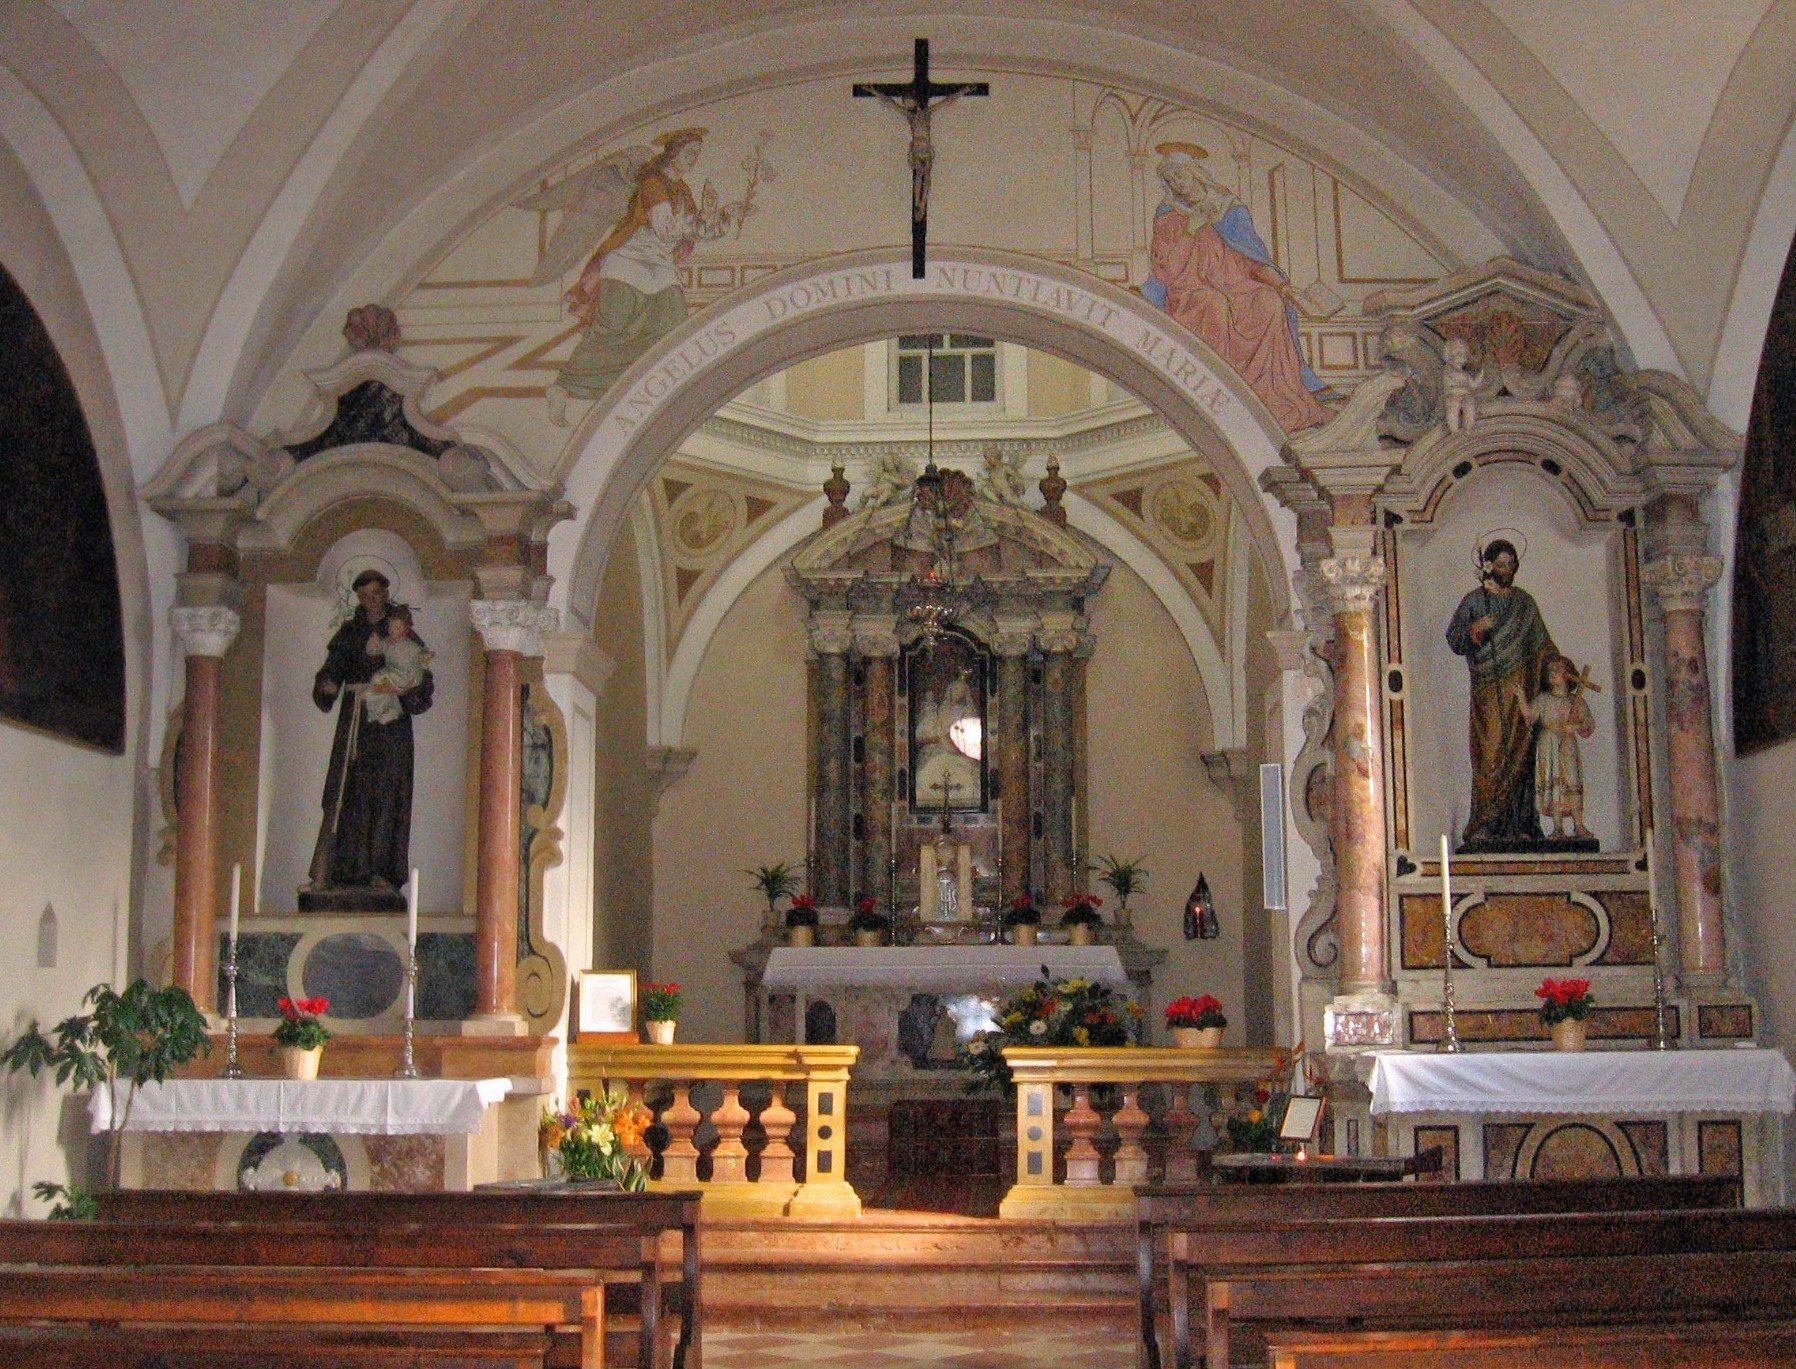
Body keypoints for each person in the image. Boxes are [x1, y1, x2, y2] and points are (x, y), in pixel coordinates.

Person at [545, 127, 733, 423]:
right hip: (629, 261)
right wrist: (697, 222)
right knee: (609, 328)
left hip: (659, 266)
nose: (694, 160)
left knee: (672, 328)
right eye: (690, 153)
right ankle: (562, 388)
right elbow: (666, 229)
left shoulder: (683, 189)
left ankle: (641, 391)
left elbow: (691, 231)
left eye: (697, 155)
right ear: (673, 153)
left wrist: (714, 217)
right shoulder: (652, 183)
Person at [1144, 142, 1331, 432]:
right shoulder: (1168, 216)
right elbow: (1165, 269)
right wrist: (1191, 229)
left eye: (1180, 177)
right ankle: (1223, 393)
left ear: (1196, 174)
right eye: (1170, 181)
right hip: (1190, 292)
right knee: (1214, 304)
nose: (1177, 185)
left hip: (1236, 284)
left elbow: (1251, 256)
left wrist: (1283, 288)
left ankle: (1274, 395)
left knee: (1268, 302)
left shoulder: (1227, 208)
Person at [306, 570, 433, 900]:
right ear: (359, 599)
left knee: (387, 792)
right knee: (348, 792)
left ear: (386, 592)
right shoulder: (350, 632)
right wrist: (328, 684)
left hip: (390, 725)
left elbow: (420, 676)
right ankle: (342, 871)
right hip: (356, 719)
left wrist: (403, 688)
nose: (372, 600)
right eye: (365, 596)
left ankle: (382, 871)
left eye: (376, 593)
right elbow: (332, 667)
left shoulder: (400, 631)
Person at [1446, 539, 1557, 849]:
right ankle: (1484, 823)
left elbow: (1543, 646)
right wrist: (1475, 629)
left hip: (1522, 688)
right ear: (1488, 566)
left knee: (1521, 753)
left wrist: (1560, 676)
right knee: (1491, 752)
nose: (1505, 570)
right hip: (1488, 689)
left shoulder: (1525, 604)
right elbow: (1454, 640)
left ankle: (1520, 823)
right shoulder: (1474, 602)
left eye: (1510, 564)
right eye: (1500, 564)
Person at [1515, 654, 1597, 840]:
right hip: (1548, 744)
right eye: (1550, 671)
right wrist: (1521, 697)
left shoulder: (1575, 701)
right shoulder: (1543, 699)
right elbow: (1529, 716)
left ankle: (1578, 825)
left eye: (1557, 670)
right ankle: (1558, 827)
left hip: (1567, 744)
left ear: (1568, 675)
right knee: (1554, 784)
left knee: (1571, 781)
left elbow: (1588, 723)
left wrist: (1573, 727)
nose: (1552, 674)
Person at [361, 603, 432, 727]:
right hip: (390, 675)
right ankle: (388, 711)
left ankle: (391, 709)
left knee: (378, 680)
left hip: (405, 678)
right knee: (379, 687)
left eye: (397, 627)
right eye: (391, 627)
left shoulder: (412, 647)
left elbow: (418, 669)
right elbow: (372, 651)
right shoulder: (388, 643)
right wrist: (373, 643)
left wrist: (410, 684)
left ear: (406, 629)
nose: (392, 630)